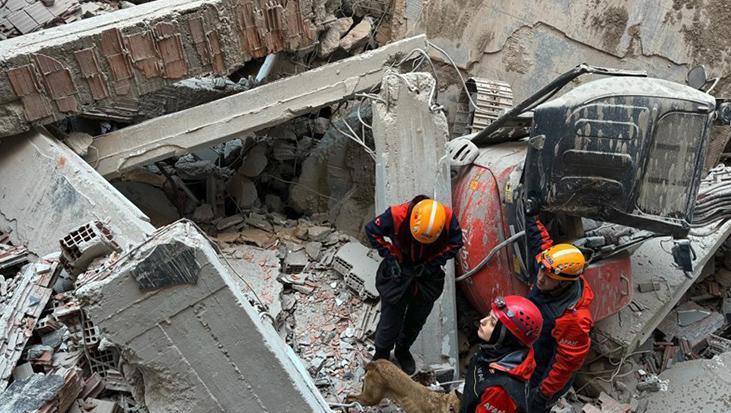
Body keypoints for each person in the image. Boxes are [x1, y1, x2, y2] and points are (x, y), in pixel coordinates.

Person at [365, 195, 463, 375]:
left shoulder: (448, 220)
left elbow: (456, 243)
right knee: (390, 318)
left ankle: (403, 349)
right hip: (400, 269)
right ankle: (381, 354)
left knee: (416, 318)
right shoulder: (396, 215)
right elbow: (372, 230)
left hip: (426, 274)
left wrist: (432, 263)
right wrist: (391, 256)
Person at [525, 214, 594, 412]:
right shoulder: (550, 264)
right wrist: (531, 214)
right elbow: (539, 239)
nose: (539, 279)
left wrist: (542, 394)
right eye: (540, 271)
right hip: (532, 352)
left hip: (545, 375)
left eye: (547, 278)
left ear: (563, 283)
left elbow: (564, 365)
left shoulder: (574, 319)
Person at [460, 296, 543, 413]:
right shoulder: (495, 351)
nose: (482, 321)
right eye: (488, 315)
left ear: (507, 337)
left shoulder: (500, 391)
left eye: (492, 323)